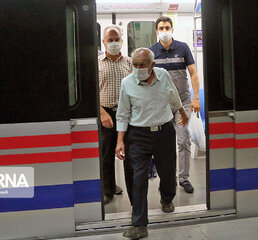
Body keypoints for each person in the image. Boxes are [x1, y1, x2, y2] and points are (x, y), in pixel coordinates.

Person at [115, 48, 189, 239]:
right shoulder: (127, 83)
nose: (138, 69)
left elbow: (173, 96)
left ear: (152, 65)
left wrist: (182, 112)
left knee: (167, 172)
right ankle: (140, 224)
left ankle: (166, 198)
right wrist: (120, 140)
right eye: (135, 65)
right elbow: (122, 113)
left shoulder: (163, 76)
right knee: (138, 179)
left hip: (164, 132)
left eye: (142, 65)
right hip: (137, 135)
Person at [149, 16, 201, 193]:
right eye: (161, 28)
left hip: (183, 103)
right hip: (162, 106)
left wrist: (196, 98)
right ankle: (167, 180)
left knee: (184, 138)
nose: (164, 31)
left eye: (167, 27)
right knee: (163, 144)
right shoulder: (151, 52)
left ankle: (184, 178)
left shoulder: (183, 48)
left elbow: (193, 74)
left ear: (172, 29)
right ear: (156, 31)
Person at [98, 25, 132, 204]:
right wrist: (102, 113)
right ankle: (108, 189)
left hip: (128, 115)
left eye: (116, 39)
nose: (113, 43)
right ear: (103, 42)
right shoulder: (97, 63)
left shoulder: (130, 63)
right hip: (106, 114)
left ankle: (133, 190)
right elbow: (91, 92)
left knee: (130, 154)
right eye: (110, 40)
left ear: (122, 41)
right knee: (106, 154)